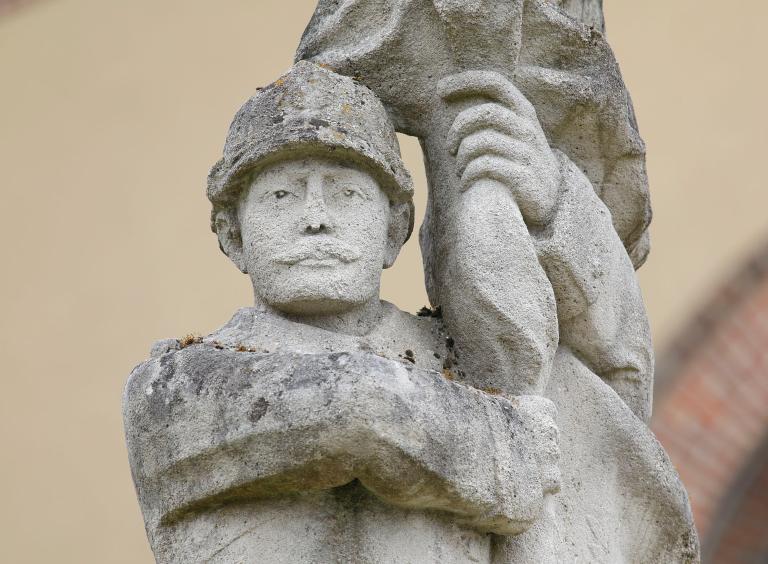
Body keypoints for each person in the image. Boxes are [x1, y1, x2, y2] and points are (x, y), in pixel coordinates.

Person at [124, 62, 697, 563]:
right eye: (283, 195)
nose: (316, 218)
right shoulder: (178, 391)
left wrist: (553, 209)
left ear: (396, 231)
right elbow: (356, 410)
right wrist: (506, 449)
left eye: (347, 193)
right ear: (233, 236)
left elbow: (612, 414)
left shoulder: (470, 360)